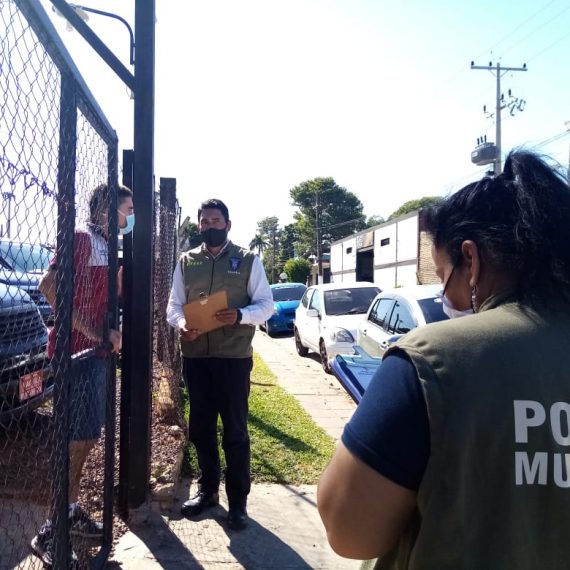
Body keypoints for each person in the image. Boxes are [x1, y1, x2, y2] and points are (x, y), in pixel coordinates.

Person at [317, 150, 570, 569]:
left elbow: (348, 531)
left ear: (471, 260)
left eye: (441, 276)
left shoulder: (432, 359)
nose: (443, 296)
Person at [31, 183, 135, 566]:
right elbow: (49, 286)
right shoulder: (81, 238)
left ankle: (69, 510)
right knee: (73, 442)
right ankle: (50, 531)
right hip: (73, 355)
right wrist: (93, 331)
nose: (131, 218)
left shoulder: (104, 245)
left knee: (86, 438)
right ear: (107, 210)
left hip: (94, 354)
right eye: (128, 210)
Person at [166, 198, 273, 530]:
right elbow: (173, 305)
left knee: (235, 431)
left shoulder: (248, 260)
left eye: (215, 221)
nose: (209, 226)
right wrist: (182, 324)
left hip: (233, 359)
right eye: (205, 222)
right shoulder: (187, 261)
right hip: (196, 358)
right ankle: (208, 491)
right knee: (201, 429)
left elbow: (267, 306)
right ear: (199, 225)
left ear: (228, 224)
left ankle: (238, 503)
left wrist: (240, 315)